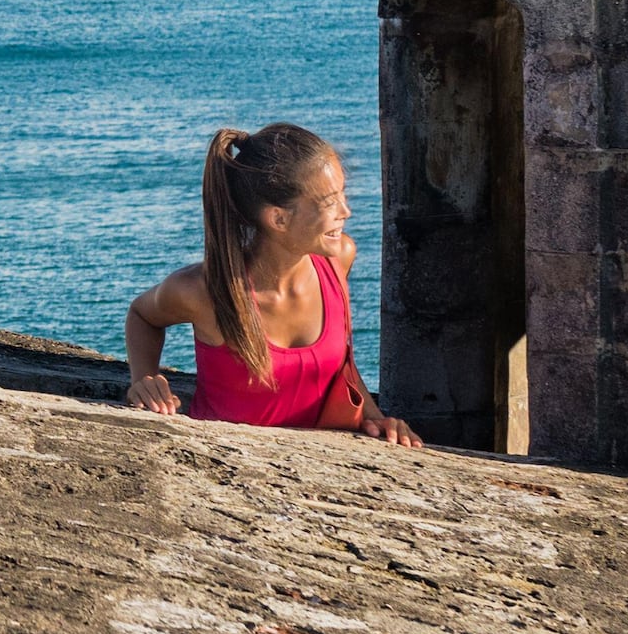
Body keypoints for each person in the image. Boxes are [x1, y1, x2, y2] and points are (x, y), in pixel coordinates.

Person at [122, 122, 421, 442]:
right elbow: (142, 315)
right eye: (329, 202)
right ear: (278, 218)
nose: (346, 211)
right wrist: (144, 377)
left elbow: (340, 368)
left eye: (343, 195)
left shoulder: (339, 260)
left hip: (328, 470)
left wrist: (376, 419)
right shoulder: (205, 292)